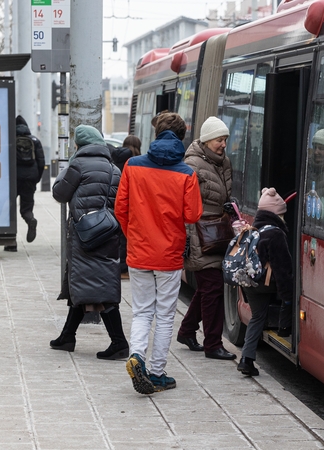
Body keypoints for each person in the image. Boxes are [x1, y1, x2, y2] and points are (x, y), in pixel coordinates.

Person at [115, 112, 202, 394]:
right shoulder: (187, 173)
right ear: (181, 136)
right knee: (165, 316)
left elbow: (121, 209)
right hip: (169, 255)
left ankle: (136, 356)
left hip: (139, 252)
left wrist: (135, 237)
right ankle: (156, 373)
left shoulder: (132, 165)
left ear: (156, 133)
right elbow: (192, 215)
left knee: (141, 312)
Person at [50, 125, 129, 360]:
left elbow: (59, 194)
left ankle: (119, 342)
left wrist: (66, 170)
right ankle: (67, 336)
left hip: (84, 234)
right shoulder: (114, 168)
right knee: (86, 281)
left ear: (79, 145)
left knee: (94, 286)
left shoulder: (78, 165)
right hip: (108, 233)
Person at [177, 116, 236, 361]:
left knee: (207, 288)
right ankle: (212, 344)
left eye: (225, 140)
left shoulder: (223, 163)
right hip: (200, 235)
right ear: (207, 140)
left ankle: (187, 331)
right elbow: (186, 205)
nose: (223, 144)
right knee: (212, 288)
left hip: (217, 234)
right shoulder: (192, 165)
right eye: (219, 140)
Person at [237, 188, 293, 376]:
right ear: (277, 214)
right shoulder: (276, 234)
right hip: (265, 284)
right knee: (277, 306)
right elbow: (282, 270)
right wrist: (287, 298)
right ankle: (283, 331)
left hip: (250, 283)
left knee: (257, 317)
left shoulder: (252, 228)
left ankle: (246, 359)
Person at [5, 115, 45, 251]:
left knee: (10, 210)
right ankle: (30, 219)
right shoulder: (35, 140)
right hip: (30, 179)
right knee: (26, 207)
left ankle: (11, 243)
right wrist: (36, 178)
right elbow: (41, 162)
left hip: (13, 179)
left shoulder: (10, 140)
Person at [108, 135, 142, 279]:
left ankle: (120, 267)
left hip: (115, 200)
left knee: (118, 237)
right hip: (134, 203)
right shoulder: (139, 163)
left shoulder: (114, 159)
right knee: (129, 238)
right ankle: (125, 268)